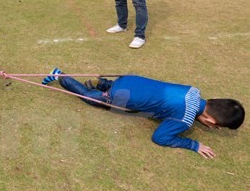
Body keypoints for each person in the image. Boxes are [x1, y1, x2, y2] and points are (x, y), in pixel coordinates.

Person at [41, 68, 244, 159]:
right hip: (123, 95)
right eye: (216, 126)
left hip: (130, 80)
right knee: (90, 98)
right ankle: (60, 76)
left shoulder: (194, 91)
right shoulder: (185, 119)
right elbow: (160, 137)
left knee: (137, 94)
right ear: (210, 119)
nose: (213, 128)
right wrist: (193, 144)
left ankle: (104, 84)